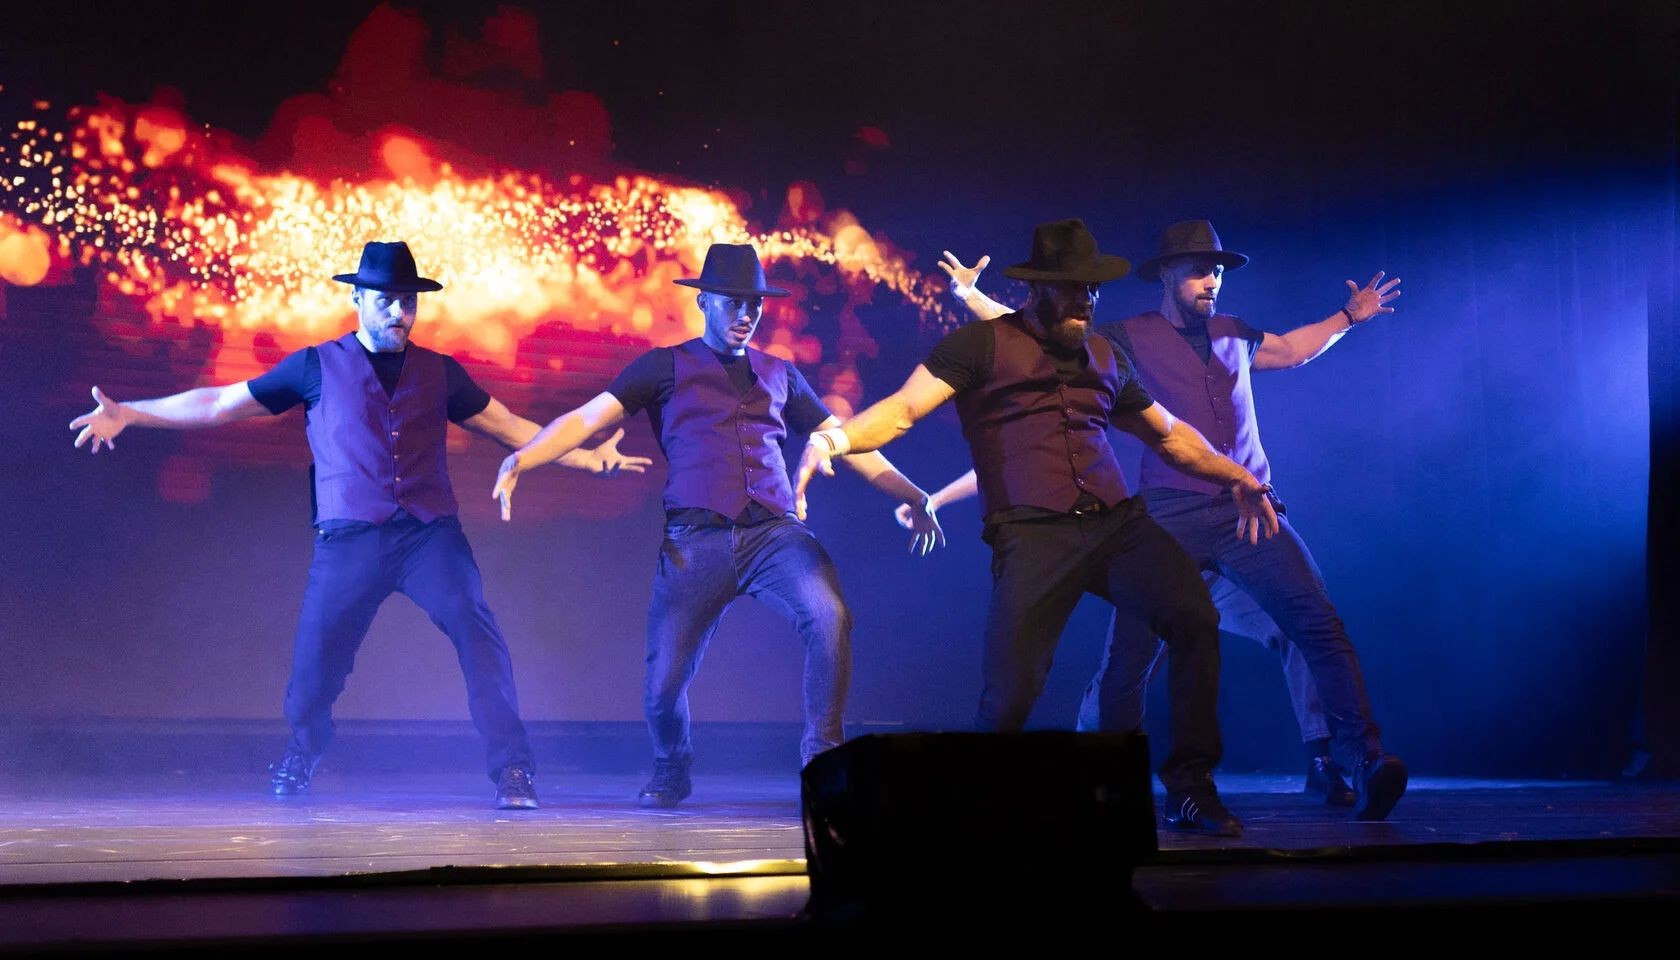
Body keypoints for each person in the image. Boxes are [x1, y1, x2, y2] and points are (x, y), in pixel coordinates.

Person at [68, 240, 650, 809]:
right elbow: (219, 404)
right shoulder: (315, 366)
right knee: (313, 672)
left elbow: (510, 427)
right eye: (387, 300)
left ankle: (513, 766)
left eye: (409, 301)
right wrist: (132, 414)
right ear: (358, 299)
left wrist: (586, 458)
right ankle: (304, 747)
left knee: (477, 632)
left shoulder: (440, 373)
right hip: (348, 539)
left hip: (427, 536)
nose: (400, 312)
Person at [794, 219, 1278, 837]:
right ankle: (974, 813)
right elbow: (904, 409)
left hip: (1116, 527)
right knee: (1011, 693)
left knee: (1195, 617)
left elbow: (1170, 435)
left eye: (1092, 289)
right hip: (1032, 534)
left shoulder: (1106, 355)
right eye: (1072, 288)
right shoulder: (981, 346)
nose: (1086, 300)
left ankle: (1189, 785)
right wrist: (832, 441)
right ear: (1036, 289)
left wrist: (1238, 476)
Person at [928, 219, 1408, 820]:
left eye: (1218, 273)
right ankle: (1101, 780)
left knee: (1316, 622)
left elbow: (1293, 349)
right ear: (1168, 276)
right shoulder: (1124, 338)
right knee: (1129, 660)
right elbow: (1039, 332)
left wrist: (1348, 317)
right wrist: (971, 298)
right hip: (1167, 516)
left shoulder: (1235, 334)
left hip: (1246, 512)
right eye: (1201, 272)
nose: (1213, 282)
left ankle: (1361, 758)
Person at [491, 242, 943, 808]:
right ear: (703, 302)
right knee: (663, 689)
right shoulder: (663, 366)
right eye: (733, 302)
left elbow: (852, 443)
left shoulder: (780, 373)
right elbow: (587, 419)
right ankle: (672, 765)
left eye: (755, 303)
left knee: (830, 618)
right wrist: (523, 458)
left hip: (775, 536)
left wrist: (912, 493)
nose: (746, 313)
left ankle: (822, 763)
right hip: (695, 543)